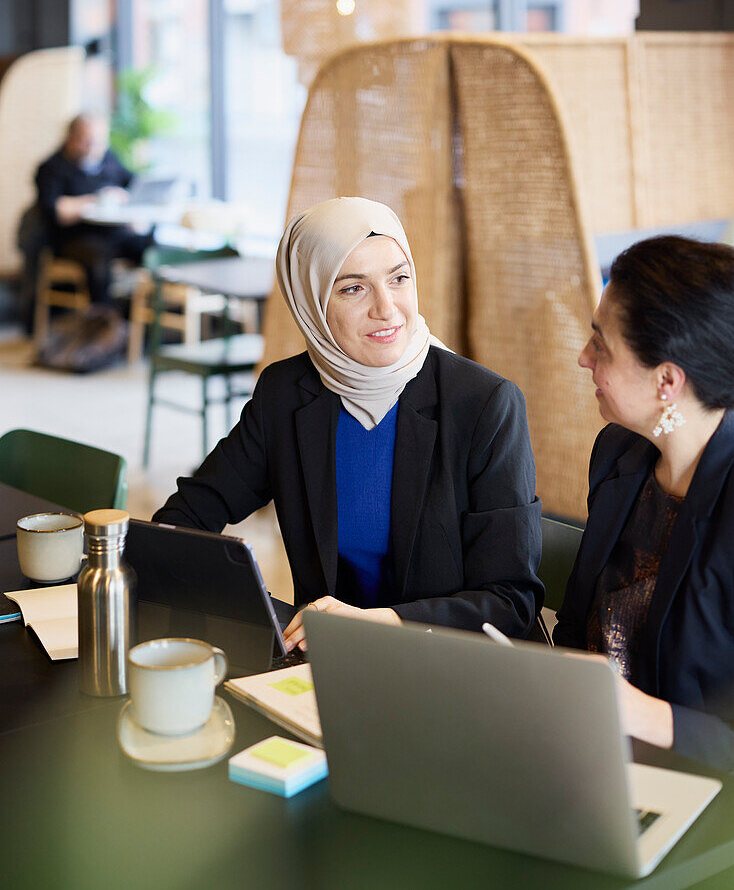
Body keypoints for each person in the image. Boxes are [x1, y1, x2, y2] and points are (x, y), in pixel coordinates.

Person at [154, 196, 543, 649]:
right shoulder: (284, 394)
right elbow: (185, 520)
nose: (387, 308)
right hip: (326, 659)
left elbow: (511, 603)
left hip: (450, 665)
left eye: (399, 279)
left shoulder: (484, 404)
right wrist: (257, 611)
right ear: (311, 304)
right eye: (353, 288)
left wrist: (383, 623)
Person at [555, 235, 734, 770]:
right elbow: (573, 630)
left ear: (668, 381)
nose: (583, 358)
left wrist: (637, 714)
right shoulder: (619, 453)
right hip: (584, 757)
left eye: (601, 345)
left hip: (702, 796)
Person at [35, 113, 152, 305]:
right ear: (72, 139)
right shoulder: (52, 168)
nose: (95, 147)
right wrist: (98, 199)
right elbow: (54, 210)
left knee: (149, 247)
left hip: (113, 234)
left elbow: (134, 185)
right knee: (98, 258)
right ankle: (101, 325)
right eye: (88, 141)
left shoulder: (108, 159)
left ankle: (140, 318)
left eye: (100, 141)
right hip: (73, 239)